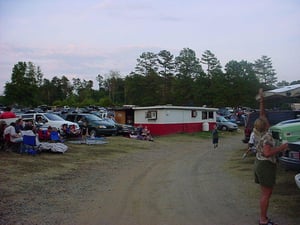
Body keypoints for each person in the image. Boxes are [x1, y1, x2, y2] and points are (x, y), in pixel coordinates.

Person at [253, 117, 288, 225]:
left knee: (265, 193)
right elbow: (267, 153)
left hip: (259, 163)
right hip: (265, 166)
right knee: (266, 194)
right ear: (265, 125)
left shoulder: (257, 133)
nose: (268, 120)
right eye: (266, 121)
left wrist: (262, 101)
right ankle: (263, 220)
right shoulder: (267, 136)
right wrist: (282, 147)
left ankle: (263, 217)